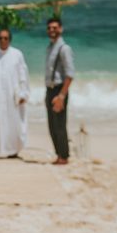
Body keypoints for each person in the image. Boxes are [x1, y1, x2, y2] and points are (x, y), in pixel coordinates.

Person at [0, 28, 30, 159]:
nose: (3, 40)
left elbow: (23, 75)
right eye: (0, 38)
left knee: (13, 123)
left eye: (6, 38)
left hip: (12, 96)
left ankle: (12, 150)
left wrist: (24, 94)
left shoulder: (17, 54)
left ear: (10, 39)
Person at [44, 17, 75, 165]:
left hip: (59, 90)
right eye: (49, 28)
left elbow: (70, 74)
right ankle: (59, 155)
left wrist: (61, 96)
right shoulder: (50, 47)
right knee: (52, 125)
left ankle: (64, 156)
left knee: (60, 125)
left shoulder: (64, 49)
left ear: (61, 29)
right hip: (50, 89)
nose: (52, 30)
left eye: (55, 28)